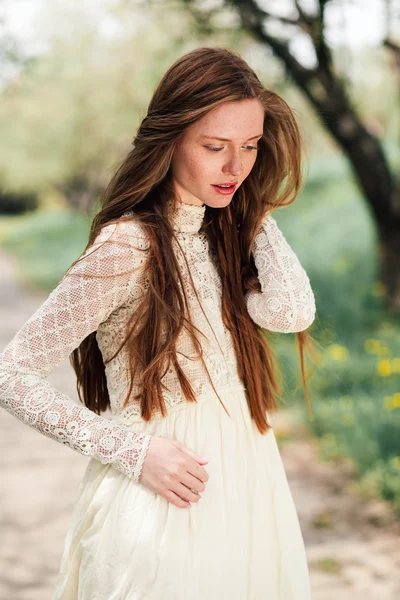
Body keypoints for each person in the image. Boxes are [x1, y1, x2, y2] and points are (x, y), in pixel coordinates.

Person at [0, 47, 317, 599]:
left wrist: (255, 209)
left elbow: (290, 310)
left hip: (246, 483)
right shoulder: (129, 245)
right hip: (161, 499)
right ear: (169, 141)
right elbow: (11, 374)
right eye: (215, 147)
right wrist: (133, 451)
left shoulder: (221, 236)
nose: (234, 168)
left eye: (249, 147)